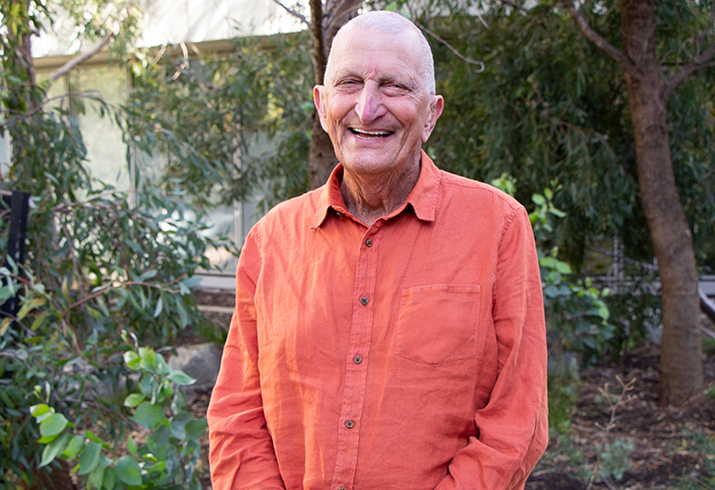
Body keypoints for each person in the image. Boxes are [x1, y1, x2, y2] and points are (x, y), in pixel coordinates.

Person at [207, 10, 548, 490]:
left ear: (431, 114)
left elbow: (517, 419)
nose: (368, 109)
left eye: (394, 86)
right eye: (349, 83)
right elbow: (236, 419)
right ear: (322, 106)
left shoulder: (499, 228)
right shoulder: (270, 242)